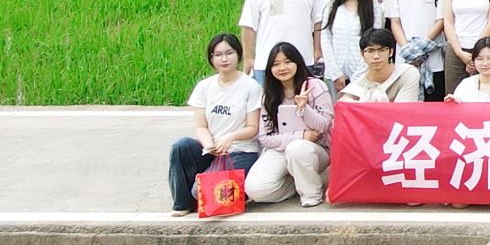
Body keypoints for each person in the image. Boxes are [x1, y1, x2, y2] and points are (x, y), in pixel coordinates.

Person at [169, 32, 263, 216]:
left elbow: (253, 128)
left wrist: (230, 138)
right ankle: (183, 203)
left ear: (238, 55)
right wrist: (209, 146)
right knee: (181, 146)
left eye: (229, 53)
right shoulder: (204, 87)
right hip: (212, 150)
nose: (224, 59)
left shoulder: (251, 87)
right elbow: (201, 126)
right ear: (211, 59)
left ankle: (215, 192)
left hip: (240, 151)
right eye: (218, 54)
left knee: (204, 193)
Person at [247, 42, 334, 208]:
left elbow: (323, 126)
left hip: (315, 149)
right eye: (276, 64)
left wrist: (304, 108)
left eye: (287, 62)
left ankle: (311, 194)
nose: (282, 68)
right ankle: (297, 183)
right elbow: (264, 138)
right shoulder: (268, 94)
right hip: (280, 148)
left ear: (297, 62)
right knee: (255, 190)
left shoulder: (315, 87)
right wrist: (301, 135)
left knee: (297, 149)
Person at [320, 0, 381, 93]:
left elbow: (374, 43)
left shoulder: (374, 9)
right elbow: (325, 38)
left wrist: (357, 77)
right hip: (334, 76)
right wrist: (336, 73)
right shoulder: (331, 7)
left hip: (364, 76)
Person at [337, 27, 422, 104]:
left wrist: (363, 106)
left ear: (391, 52)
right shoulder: (359, 84)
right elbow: (343, 103)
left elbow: (402, 110)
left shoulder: (407, 73)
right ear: (362, 54)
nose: (376, 56)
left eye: (382, 50)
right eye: (370, 51)